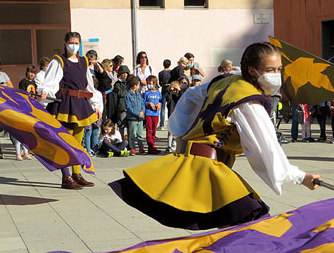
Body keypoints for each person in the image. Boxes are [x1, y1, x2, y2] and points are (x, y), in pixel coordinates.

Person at [110, 42, 321, 230]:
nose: (276, 74)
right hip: (205, 169)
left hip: (197, 163)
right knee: (252, 219)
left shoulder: (227, 82)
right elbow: (266, 147)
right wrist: (300, 177)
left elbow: (191, 96)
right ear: (252, 70)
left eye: (278, 69)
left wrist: (181, 132)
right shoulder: (248, 101)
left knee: (234, 225)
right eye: (270, 69)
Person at [40, 31, 102, 189]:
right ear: (65, 43)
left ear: (80, 44)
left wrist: (95, 104)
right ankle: (66, 177)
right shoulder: (59, 61)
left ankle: (76, 174)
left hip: (81, 104)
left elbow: (89, 85)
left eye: (76, 43)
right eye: (71, 43)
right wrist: (45, 91)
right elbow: (50, 81)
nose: (73, 46)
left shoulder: (84, 61)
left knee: (77, 142)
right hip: (64, 104)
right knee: (64, 141)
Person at [125, 75, 145, 156]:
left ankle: (141, 147)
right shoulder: (128, 95)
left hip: (140, 118)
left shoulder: (138, 94)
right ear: (134, 86)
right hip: (132, 118)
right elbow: (129, 107)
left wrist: (142, 111)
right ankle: (132, 148)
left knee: (140, 134)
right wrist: (137, 113)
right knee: (132, 134)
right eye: (138, 85)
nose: (139, 86)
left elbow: (142, 103)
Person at [142, 75, 162, 154]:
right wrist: (148, 103)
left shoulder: (158, 93)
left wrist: (159, 104)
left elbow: (161, 101)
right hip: (148, 114)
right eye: (148, 83)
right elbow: (143, 102)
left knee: (154, 130)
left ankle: (153, 145)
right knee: (149, 130)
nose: (149, 85)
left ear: (155, 83)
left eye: (150, 83)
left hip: (156, 114)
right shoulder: (146, 93)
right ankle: (150, 146)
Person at [164, 81, 183, 153]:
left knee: (177, 131)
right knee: (170, 131)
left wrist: (179, 90)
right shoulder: (170, 95)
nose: (175, 90)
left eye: (176, 89)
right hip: (171, 114)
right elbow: (168, 99)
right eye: (173, 88)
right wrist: (170, 90)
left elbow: (182, 98)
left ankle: (175, 144)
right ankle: (169, 145)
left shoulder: (180, 95)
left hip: (179, 114)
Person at [114, 65, 130, 140]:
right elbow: (120, 93)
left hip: (129, 106)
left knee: (129, 125)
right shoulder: (117, 84)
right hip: (122, 107)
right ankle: (122, 140)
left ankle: (129, 140)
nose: (125, 75)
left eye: (126, 73)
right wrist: (127, 91)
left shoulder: (129, 83)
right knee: (122, 125)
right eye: (123, 73)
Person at [158, 59, 171, 130]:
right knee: (170, 107)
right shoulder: (171, 72)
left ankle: (162, 125)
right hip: (170, 91)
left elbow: (160, 83)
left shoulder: (161, 73)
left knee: (162, 108)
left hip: (163, 90)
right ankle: (170, 123)